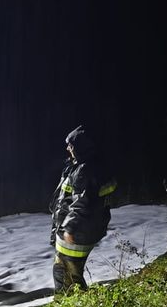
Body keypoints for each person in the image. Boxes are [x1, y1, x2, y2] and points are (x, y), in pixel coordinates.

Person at [50, 125, 117, 294]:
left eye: (70, 145)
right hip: (73, 229)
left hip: (78, 232)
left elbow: (83, 202)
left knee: (67, 274)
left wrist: (70, 228)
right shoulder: (77, 166)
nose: (67, 148)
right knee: (65, 271)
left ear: (80, 147)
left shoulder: (85, 170)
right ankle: (68, 306)